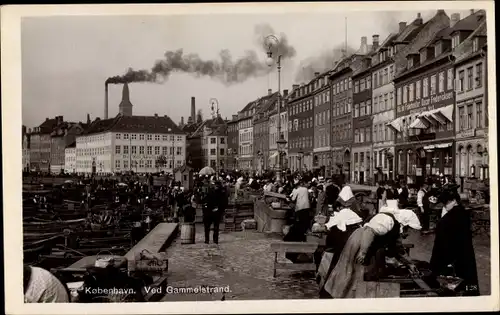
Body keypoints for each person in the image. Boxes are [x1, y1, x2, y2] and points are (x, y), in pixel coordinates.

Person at [321, 209, 421, 298]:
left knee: (359, 272)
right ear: (405, 222)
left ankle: (353, 295)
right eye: (408, 228)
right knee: (352, 271)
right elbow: (369, 232)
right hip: (362, 242)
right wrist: (363, 252)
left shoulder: (395, 227)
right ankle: (341, 296)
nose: (407, 231)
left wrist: (409, 263)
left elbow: (398, 249)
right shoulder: (387, 220)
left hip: (367, 244)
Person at [429, 184, 479, 296]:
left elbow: (440, 247)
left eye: (446, 203)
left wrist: (434, 268)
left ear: (454, 201)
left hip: (450, 263)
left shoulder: (445, 221)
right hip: (466, 259)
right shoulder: (465, 215)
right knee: (468, 286)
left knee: (451, 292)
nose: (445, 206)